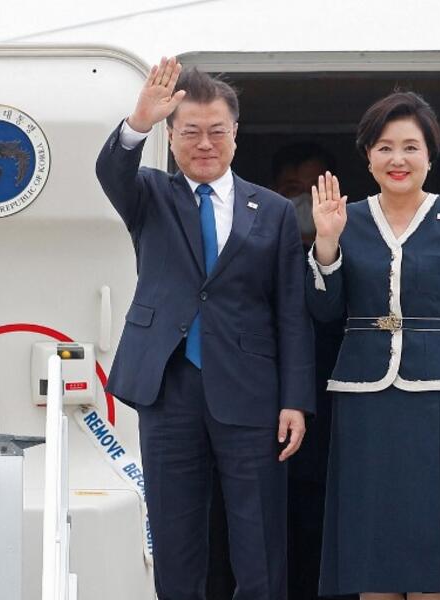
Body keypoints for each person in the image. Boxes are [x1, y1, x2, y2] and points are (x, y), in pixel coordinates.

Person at [95, 57, 315, 600]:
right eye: (190, 132)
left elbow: (291, 309)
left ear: (236, 134)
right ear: (171, 138)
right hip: (168, 385)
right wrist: (138, 121)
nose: (205, 143)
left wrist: (295, 400)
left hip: (252, 390)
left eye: (217, 131)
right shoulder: (150, 195)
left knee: (259, 537)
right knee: (175, 536)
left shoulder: (274, 211)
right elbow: (111, 172)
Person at [306, 91, 440, 599]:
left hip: (437, 397)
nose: (398, 159)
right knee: (373, 545)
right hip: (364, 398)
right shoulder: (347, 219)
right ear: (367, 156)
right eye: (385, 147)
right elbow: (325, 313)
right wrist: (326, 243)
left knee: (431, 545)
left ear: (430, 156)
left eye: (411, 147)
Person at [271, 142, 354, 600]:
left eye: (315, 189)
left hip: (342, 428)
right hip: (274, 430)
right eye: (291, 190)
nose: (304, 201)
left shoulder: (357, 251)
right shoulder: (257, 250)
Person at [272, 142, 338, 245]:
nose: (306, 197)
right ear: (274, 191)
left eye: (316, 187)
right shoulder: (261, 252)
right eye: (293, 188)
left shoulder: (353, 249)